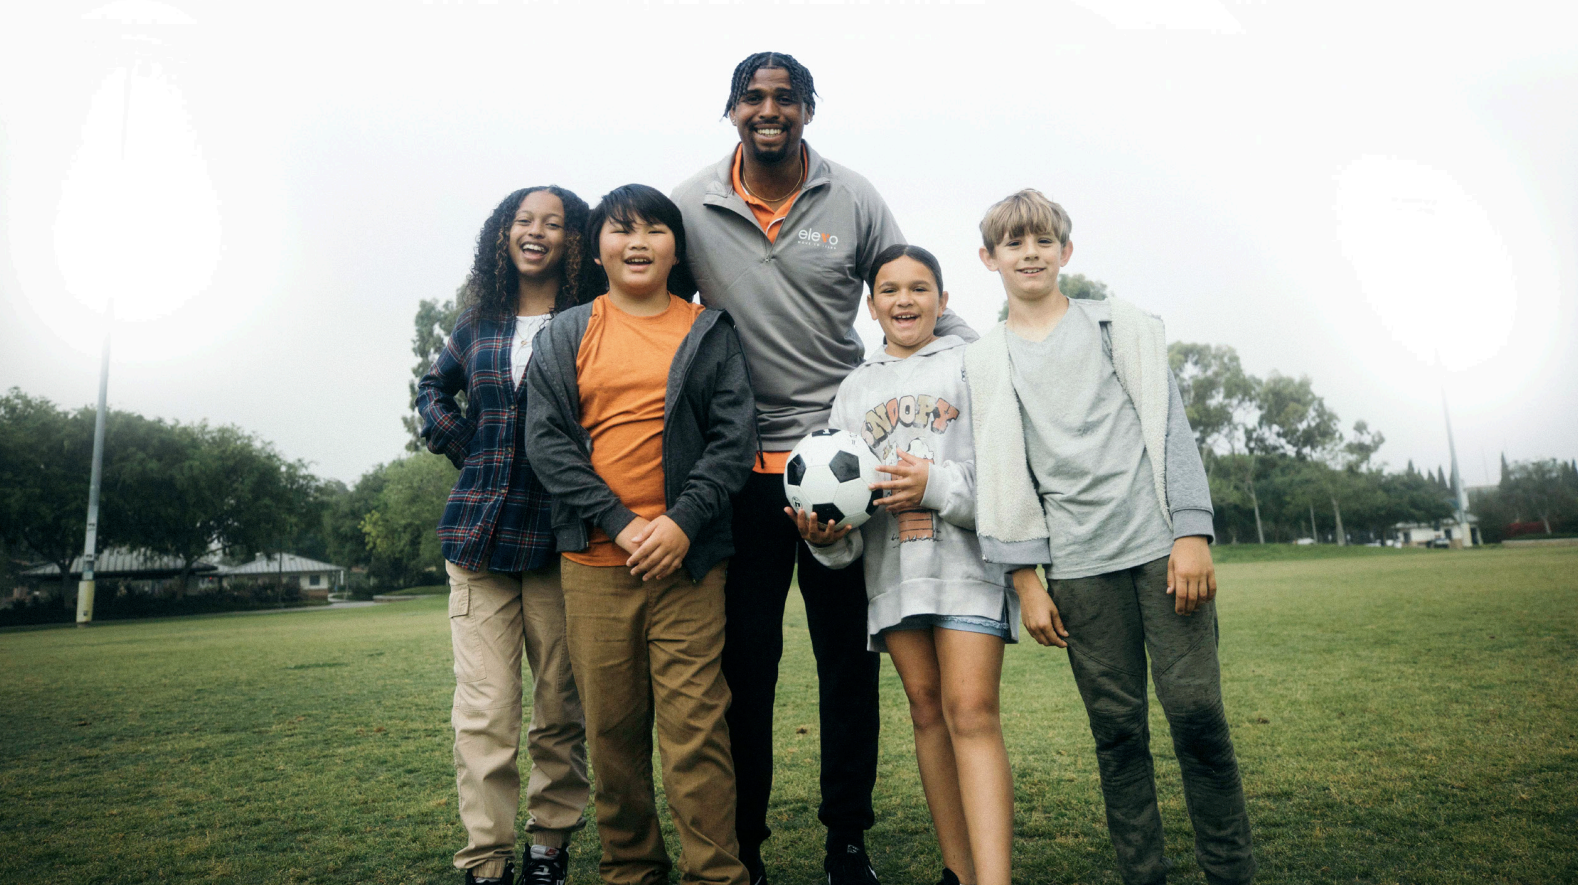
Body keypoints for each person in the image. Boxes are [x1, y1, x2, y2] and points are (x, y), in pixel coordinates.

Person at [671, 51, 974, 885]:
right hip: (742, 473)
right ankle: (750, 848)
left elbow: (910, 290)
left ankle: (847, 840)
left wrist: (988, 364)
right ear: (732, 109)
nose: (770, 110)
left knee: (849, 665)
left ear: (809, 109)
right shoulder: (692, 203)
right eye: (754, 98)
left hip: (850, 469)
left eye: (787, 98)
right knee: (747, 670)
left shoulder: (853, 196)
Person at [965, 189, 1255, 885]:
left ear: (1066, 250)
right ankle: (1143, 873)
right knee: (1118, 732)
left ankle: (1231, 871)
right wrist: (1025, 580)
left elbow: (1169, 428)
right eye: (1013, 243)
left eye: (1042, 240)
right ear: (989, 258)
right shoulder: (987, 359)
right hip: (1076, 567)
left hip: (1160, 550)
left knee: (1196, 713)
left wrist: (1191, 531)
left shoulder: (1117, 327)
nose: (1029, 252)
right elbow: (1003, 475)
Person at [523, 184, 758, 885]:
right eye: (621, 229)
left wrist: (681, 523)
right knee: (612, 735)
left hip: (689, 564)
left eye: (654, 230)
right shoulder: (567, 332)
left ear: (675, 249)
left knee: (696, 730)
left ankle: (716, 873)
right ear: (596, 247)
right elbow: (548, 442)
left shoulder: (707, 331)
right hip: (596, 562)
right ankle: (631, 870)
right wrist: (623, 524)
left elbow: (731, 438)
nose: (637, 242)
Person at [792, 246, 1016, 885]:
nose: (904, 300)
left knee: (970, 710)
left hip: (966, 564)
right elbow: (849, 524)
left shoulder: (973, 364)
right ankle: (959, 872)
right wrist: (823, 536)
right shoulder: (855, 388)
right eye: (889, 290)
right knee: (926, 709)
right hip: (892, 573)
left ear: (944, 300)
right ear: (871, 305)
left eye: (920, 288)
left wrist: (934, 485)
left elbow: (1005, 479)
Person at [417, 186, 599, 885]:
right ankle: (485, 862)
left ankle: (548, 848)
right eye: (525, 221)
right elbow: (433, 388)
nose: (537, 233)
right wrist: (462, 440)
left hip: (561, 541)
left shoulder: (588, 321)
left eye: (554, 224)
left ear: (573, 241)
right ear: (504, 235)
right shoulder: (478, 321)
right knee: (485, 712)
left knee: (559, 708)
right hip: (479, 539)